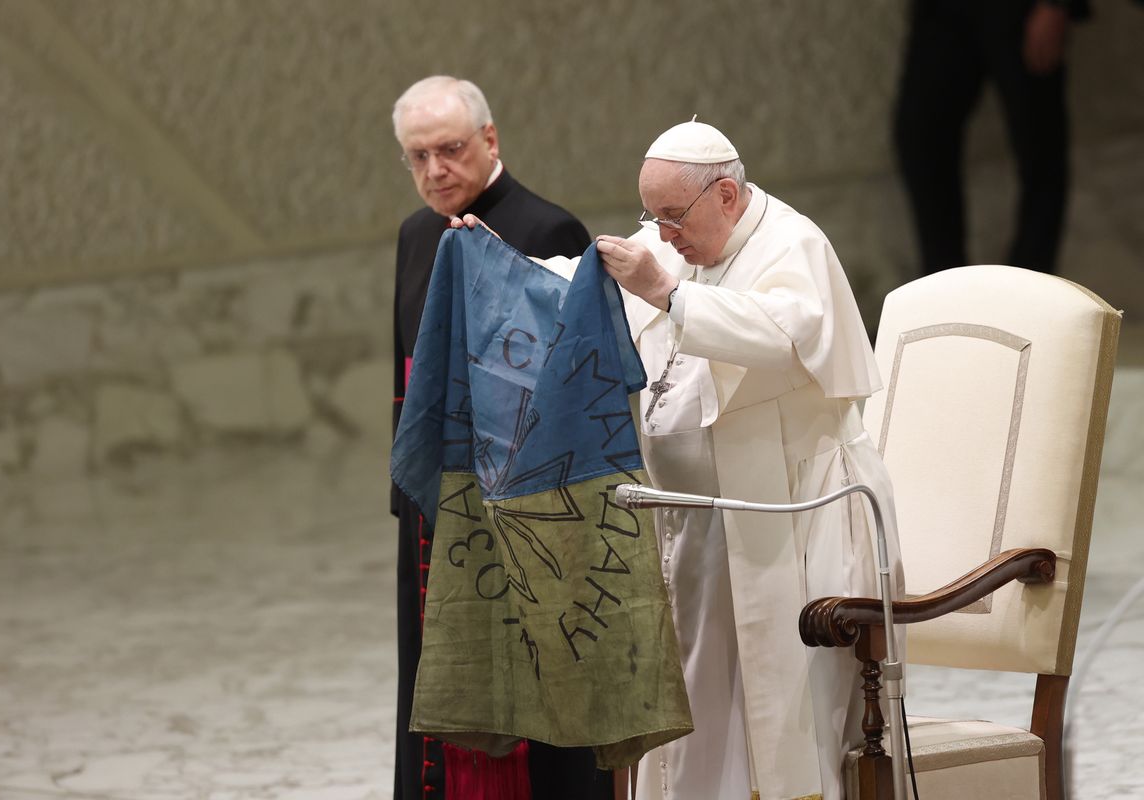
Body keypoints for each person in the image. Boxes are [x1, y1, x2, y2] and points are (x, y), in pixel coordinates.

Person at [454, 120, 903, 800]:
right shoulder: (680, 239)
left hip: (794, 524)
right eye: (651, 216)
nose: (661, 234)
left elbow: (782, 334)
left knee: (788, 725)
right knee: (700, 719)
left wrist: (668, 293)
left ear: (725, 193)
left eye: (671, 216)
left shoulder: (793, 244)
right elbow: (580, 285)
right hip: (700, 528)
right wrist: (500, 265)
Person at [389, 75, 601, 800]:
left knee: (534, 701)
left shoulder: (549, 231)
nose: (433, 171)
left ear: (490, 140)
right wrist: (408, 501)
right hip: (439, 512)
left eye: (448, 150)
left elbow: (577, 392)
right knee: (443, 684)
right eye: (417, 157)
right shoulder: (415, 236)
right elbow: (407, 382)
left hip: (527, 517)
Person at [894, 0, 1090, 275]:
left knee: (1039, 149)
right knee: (919, 135)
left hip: (1022, 8)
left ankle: (1026, 291)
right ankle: (945, 287)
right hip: (944, 10)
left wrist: (1056, 4)